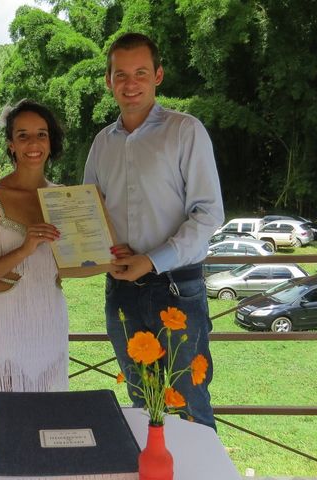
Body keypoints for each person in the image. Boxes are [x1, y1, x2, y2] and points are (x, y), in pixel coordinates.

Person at [83, 32, 224, 429]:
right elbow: (91, 210)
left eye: (140, 73)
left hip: (178, 288)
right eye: (121, 75)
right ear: (109, 81)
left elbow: (209, 213)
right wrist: (105, 249)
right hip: (122, 289)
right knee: (141, 401)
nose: (130, 84)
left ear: (158, 75)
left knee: (189, 400)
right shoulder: (101, 144)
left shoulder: (185, 130)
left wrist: (152, 260)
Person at [0, 99, 69, 402]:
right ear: (11, 144)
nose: (33, 144)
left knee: (53, 420)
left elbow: (79, 264)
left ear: (51, 141)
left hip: (51, 319)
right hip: (6, 326)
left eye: (41, 134)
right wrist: (24, 248)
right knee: (10, 421)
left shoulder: (65, 197)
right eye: (23, 135)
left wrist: (114, 256)